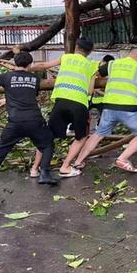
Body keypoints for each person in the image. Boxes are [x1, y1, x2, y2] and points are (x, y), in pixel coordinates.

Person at [0, 51, 59, 185]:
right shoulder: (35, 79)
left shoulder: (6, 77)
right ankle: (44, 174)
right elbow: (26, 95)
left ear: (14, 63)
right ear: (30, 64)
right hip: (34, 120)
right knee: (47, 144)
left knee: (2, 147)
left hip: (15, 122)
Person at [69, 48, 137, 174]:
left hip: (109, 107)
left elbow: (96, 73)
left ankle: (78, 162)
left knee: (97, 135)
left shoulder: (113, 64)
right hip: (128, 109)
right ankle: (122, 159)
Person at [28, 38, 99, 178]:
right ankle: (65, 166)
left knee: (48, 136)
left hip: (60, 101)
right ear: (90, 52)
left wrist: (26, 68)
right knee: (81, 137)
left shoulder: (66, 57)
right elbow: (90, 91)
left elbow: (43, 65)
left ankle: (34, 169)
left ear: (76, 47)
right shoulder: (92, 65)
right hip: (79, 104)